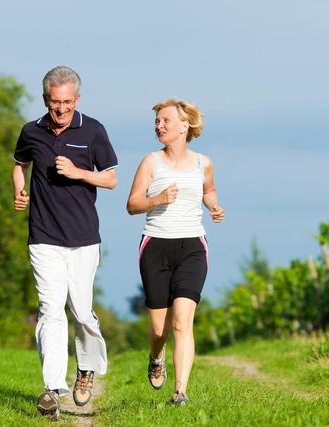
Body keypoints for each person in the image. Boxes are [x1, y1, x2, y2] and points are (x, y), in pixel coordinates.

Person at [12, 66, 118, 419]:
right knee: (50, 309)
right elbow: (18, 164)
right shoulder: (31, 131)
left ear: (77, 99)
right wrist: (19, 190)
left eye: (67, 103)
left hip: (84, 238)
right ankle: (52, 388)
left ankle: (85, 368)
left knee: (82, 312)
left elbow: (112, 180)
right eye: (55, 103)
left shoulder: (93, 130)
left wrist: (78, 173)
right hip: (43, 237)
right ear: (46, 100)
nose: (61, 110)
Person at [126, 98, 225, 405]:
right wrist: (158, 198)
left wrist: (213, 206)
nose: (159, 126)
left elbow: (208, 191)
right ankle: (157, 357)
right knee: (159, 329)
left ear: (185, 125)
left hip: (192, 246)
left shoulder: (203, 163)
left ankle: (180, 392)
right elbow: (132, 204)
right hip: (156, 245)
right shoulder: (150, 162)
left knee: (182, 320)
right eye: (157, 121)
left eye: (166, 120)